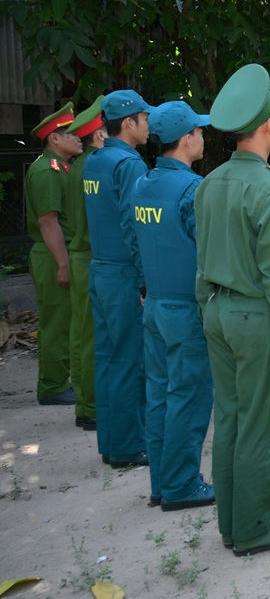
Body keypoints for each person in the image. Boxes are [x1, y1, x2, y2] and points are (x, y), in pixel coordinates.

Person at [195, 63, 270, 556]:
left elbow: (202, 261)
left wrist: (208, 309)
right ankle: (254, 528)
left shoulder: (210, 183)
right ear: (267, 125)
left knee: (231, 419)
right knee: (261, 425)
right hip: (255, 319)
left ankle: (231, 526)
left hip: (217, 312)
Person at [131, 101, 215, 511]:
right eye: (198, 131)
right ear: (186, 139)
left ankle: (162, 483)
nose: (202, 137)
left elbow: (134, 242)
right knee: (189, 395)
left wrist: (145, 286)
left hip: (154, 305)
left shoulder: (142, 183)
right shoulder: (193, 189)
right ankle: (182, 485)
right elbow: (208, 253)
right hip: (185, 310)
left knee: (160, 394)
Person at [83, 90, 152, 468]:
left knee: (108, 357)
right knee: (129, 361)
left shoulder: (95, 160)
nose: (148, 125)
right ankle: (128, 446)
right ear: (128, 123)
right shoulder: (129, 165)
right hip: (124, 273)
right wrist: (145, 279)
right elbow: (133, 226)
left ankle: (110, 443)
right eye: (144, 118)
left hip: (101, 270)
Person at [25, 101, 82, 408]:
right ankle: (52, 386)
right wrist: (62, 263)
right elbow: (48, 221)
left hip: (58, 251)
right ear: (54, 139)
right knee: (57, 321)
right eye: (70, 133)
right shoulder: (47, 171)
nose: (78, 137)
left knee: (67, 319)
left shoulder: (61, 167)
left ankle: (60, 381)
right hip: (53, 253)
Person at [64, 96, 106, 431]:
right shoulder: (99, 165)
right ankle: (92, 406)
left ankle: (83, 403)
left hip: (79, 254)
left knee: (81, 333)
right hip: (93, 256)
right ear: (101, 134)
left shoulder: (76, 167)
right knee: (94, 335)